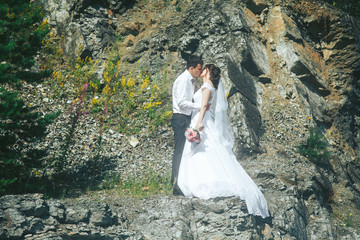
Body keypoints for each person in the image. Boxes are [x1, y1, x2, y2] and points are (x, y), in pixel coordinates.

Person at [177, 64, 270, 218]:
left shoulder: (207, 86)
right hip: (198, 118)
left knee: (205, 149)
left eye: (204, 68)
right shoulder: (207, 86)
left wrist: (199, 123)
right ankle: (199, 179)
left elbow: (204, 106)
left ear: (208, 72)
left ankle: (207, 181)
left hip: (201, 121)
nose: (202, 71)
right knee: (201, 150)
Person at [171, 55, 203, 195]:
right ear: (191, 68)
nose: (200, 72)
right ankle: (175, 182)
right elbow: (181, 103)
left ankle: (182, 181)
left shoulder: (190, 80)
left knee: (185, 150)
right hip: (180, 118)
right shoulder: (183, 80)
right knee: (179, 150)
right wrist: (200, 106)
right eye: (198, 69)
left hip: (186, 117)